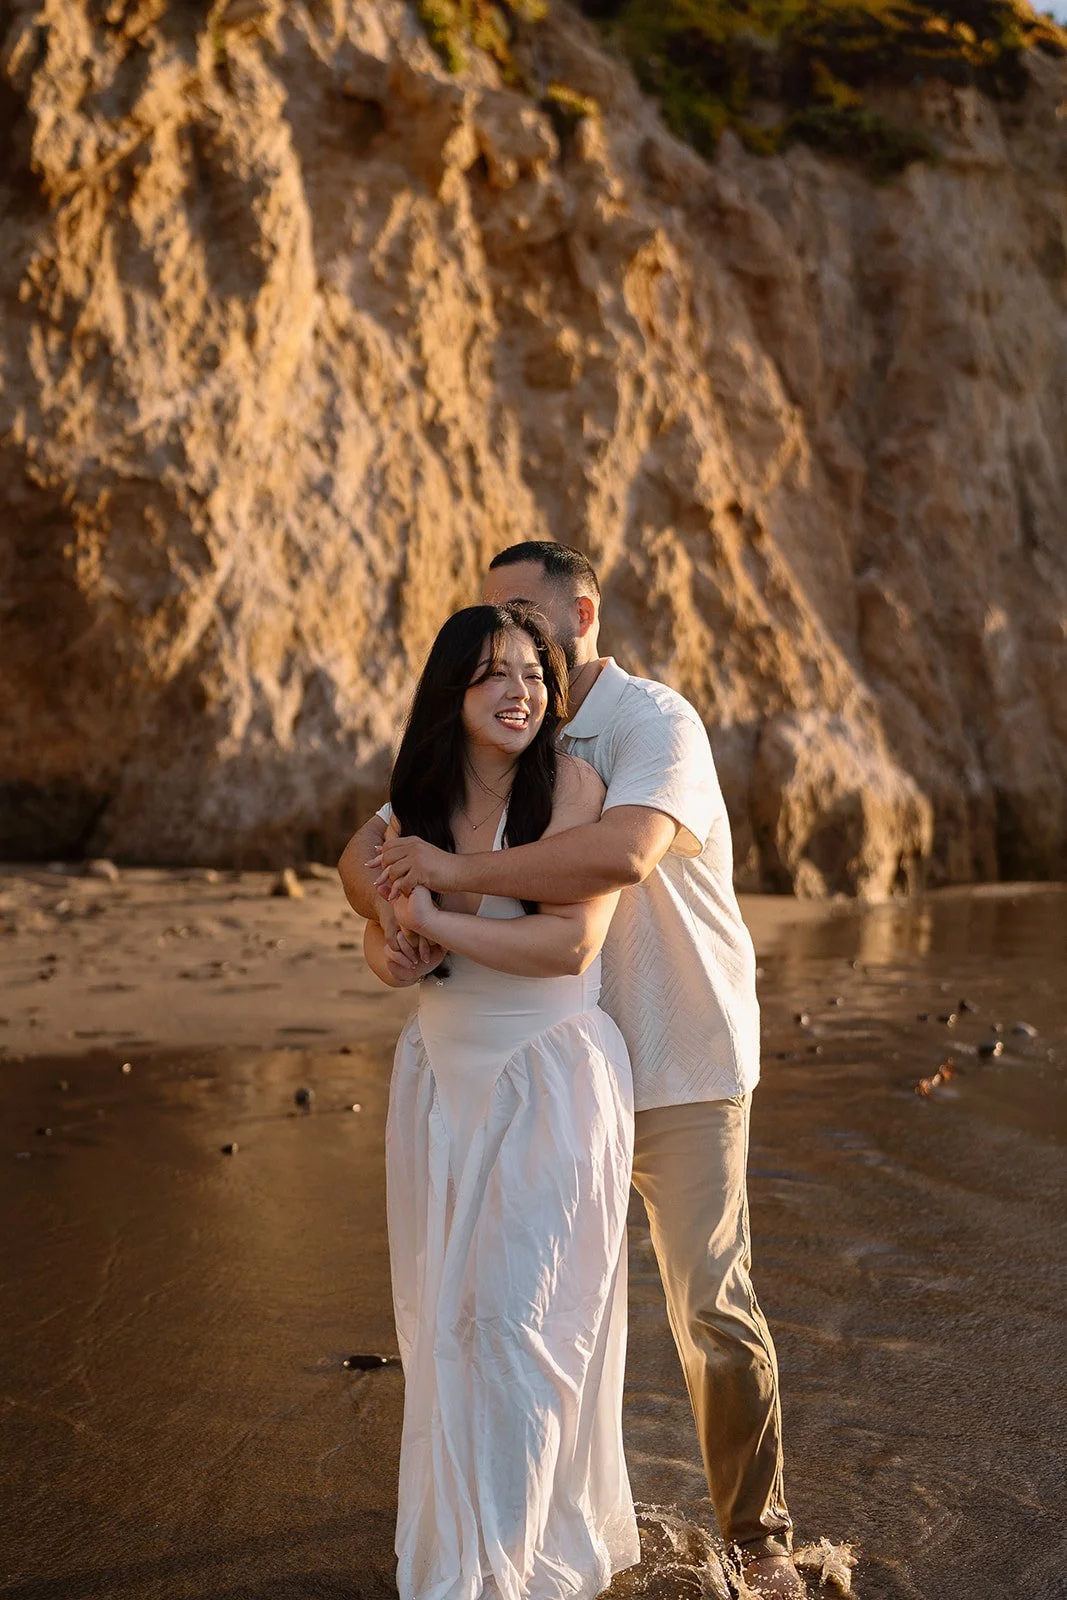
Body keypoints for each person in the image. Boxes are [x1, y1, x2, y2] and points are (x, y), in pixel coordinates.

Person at [341, 544, 805, 1600]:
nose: (511, 662)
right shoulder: (492, 751)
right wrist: (388, 925)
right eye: (488, 647)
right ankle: (519, 1517)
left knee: (706, 1308)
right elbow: (365, 851)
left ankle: (756, 1534)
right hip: (550, 1070)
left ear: (577, 614)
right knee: (519, 1310)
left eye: (522, 626)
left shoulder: (649, 726)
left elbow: (621, 856)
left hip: (678, 1058)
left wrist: (441, 886)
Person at [358, 600, 640, 1600]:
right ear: (452, 691)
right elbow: (376, 906)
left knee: (521, 1325)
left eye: (531, 673)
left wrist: (437, 911)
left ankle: (518, 1573)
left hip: (547, 1083)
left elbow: (568, 944)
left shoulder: (571, 784)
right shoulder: (416, 801)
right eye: (492, 673)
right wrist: (393, 946)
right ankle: (462, 1562)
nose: (518, 691)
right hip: (443, 1084)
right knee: (448, 1327)